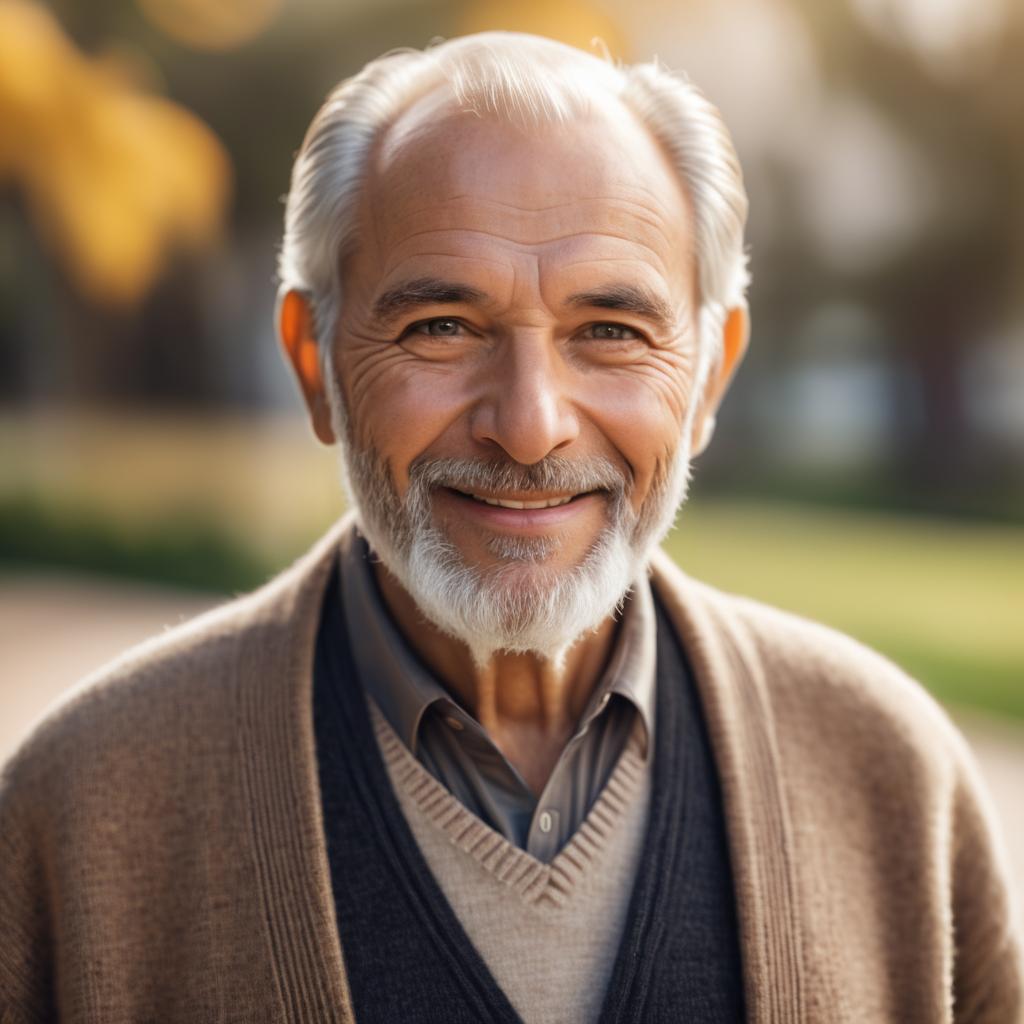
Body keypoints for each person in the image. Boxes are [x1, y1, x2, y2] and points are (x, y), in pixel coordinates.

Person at [1, 31, 1021, 1024]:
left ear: (709, 373)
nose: (529, 428)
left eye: (610, 332)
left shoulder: (888, 775)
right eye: (441, 327)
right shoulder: (78, 813)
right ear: (314, 363)